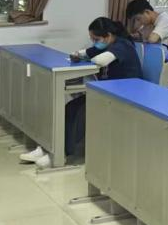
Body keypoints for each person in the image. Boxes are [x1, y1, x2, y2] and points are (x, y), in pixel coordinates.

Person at [23, 17, 143, 169]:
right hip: (108, 92)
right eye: (92, 39)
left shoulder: (122, 45)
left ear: (108, 36)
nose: (94, 43)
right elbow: (84, 52)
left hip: (126, 95)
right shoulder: (106, 44)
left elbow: (101, 60)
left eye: (96, 39)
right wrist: (78, 54)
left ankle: (61, 153)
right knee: (69, 108)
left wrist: (87, 56)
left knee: (81, 113)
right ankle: (48, 147)